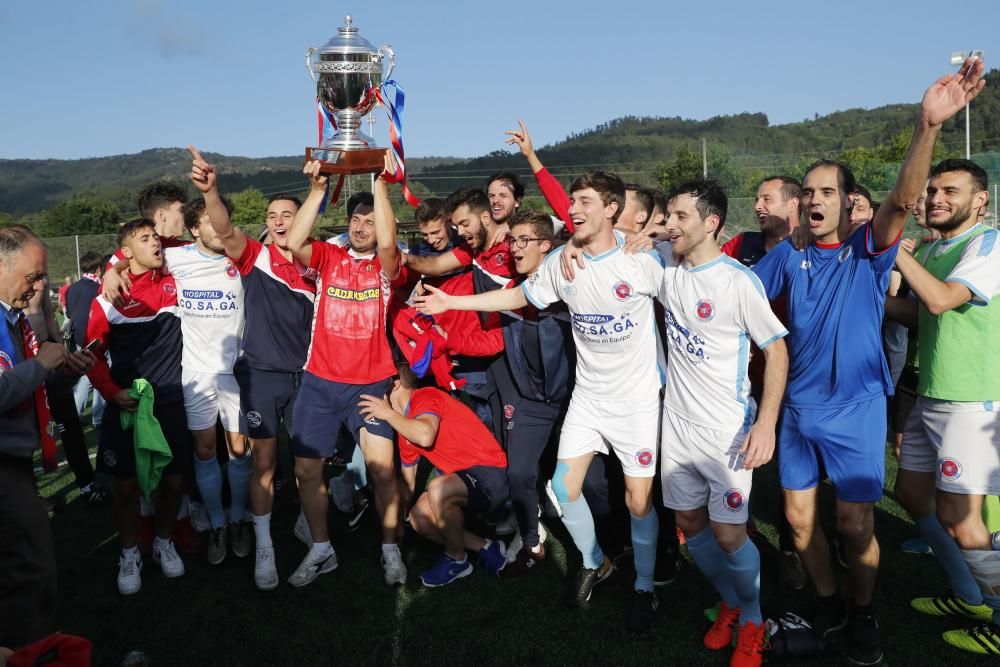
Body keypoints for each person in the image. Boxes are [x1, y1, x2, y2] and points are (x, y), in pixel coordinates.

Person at [751, 59, 986, 665]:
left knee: (856, 525)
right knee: (800, 527)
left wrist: (927, 125)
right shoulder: (784, 257)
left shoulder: (869, 249)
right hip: (799, 413)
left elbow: (906, 198)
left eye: (827, 191)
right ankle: (829, 601)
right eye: (808, 192)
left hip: (856, 411)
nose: (814, 200)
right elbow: (728, 292)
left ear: (848, 200)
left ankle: (862, 612)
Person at [416, 171, 666, 633]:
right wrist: (452, 306)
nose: (573, 209)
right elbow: (516, 294)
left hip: (635, 404)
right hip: (588, 401)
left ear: (611, 209)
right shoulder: (562, 264)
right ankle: (596, 563)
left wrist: (655, 236)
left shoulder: (644, 262)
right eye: (571, 201)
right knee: (564, 488)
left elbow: (687, 261)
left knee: (637, 502)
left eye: (585, 201)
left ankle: (645, 588)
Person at [655, 180, 788, 667]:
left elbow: (776, 350)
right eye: (668, 215)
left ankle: (753, 620)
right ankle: (731, 602)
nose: (671, 224)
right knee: (689, 523)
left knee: (730, 534)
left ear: (710, 223)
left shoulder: (736, 281)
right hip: (678, 425)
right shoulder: (666, 266)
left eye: (681, 217)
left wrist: (766, 423)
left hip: (727, 431)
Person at [887, 158, 1000, 656]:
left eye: (949, 190)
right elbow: (918, 313)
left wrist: (891, 249)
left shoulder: (990, 246)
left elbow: (939, 301)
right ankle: (969, 594)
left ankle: (997, 616)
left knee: (965, 521)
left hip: (972, 402)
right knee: (911, 492)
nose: (934, 198)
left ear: (981, 200)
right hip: (933, 394)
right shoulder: (938, 249)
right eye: (931, 190)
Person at [189, 146, 316, 591]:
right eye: (272, 214)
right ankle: (264, 546)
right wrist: (212, 193)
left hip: (309, 378)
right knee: (263, 460)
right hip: (262, 376)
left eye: (287, 214)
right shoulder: (256, 256)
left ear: (304, 219)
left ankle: (309, 527)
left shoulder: (320, 263)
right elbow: (223, 228)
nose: (279, 221)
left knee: (308, 466)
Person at [284, 156, 405, 588]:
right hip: (319, 382)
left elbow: (389, 247)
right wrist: (318, 190)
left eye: (370, 221)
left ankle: (390, 548)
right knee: (307, 470)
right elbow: (294, 243)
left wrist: (382, 187)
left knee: (382, 470)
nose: (361, 227)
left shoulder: (388, 266)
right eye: (356, 219)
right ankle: (321, 548)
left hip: (370, 384)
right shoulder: (330, 256)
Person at [87, 218, 192, 595]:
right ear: (126, 251)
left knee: (176, 480)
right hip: (126, 403)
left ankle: (163, 542)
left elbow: (186, 241)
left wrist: (115, 264)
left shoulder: (174, 282)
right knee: (128, 488)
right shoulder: (107, 298)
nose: (156, 243)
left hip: (171, 399)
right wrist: (112, 393)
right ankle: (129, 552)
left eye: (156, 237)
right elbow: (94, 356)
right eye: (144, 239)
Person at [0, 226, 93, 650]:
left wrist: (61, 369)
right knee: (31, 571)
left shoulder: (14, 318)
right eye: (33, 276)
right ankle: (32, 653)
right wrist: (40, 365)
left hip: (17, 463)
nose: (41, 287)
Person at [359, 364, 509, 586]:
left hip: (492, 473)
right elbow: (408, 482)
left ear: (395, 384)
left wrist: (387, 414)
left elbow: (426, 435)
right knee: (419, 517)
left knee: (439, 489)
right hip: (465, 482)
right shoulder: (404, 427)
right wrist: (398, 520)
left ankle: (456, 560)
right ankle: (486, 547)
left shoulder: (425, 396)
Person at [167, 193, 250, 565]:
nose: (217, 227)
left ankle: (238, 520)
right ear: (193, 228)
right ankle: (216, 522)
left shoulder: (243, 256)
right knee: (204, 450)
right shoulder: (177, 258)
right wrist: (113, 269)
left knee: (238, 449)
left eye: (221, 220)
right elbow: (130, 255)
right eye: (207, 221)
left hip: (237, 372)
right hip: (197, 373)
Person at [65, 251, 106, 428]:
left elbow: (68, 313)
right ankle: (98, 417)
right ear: (98, 269)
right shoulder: (97, 287)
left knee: (84, 379)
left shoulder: (73, 287)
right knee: (101, 376)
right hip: (95, 339)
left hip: (77, 338)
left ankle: (74, 414)